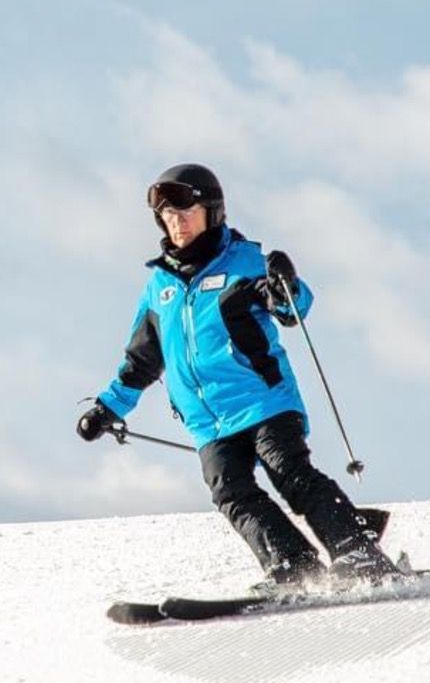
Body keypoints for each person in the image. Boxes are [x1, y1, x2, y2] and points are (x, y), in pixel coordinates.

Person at [77, 163, 398, 591]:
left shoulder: (245, 261)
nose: (177, 222)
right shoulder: (160, 288)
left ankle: (358, 553)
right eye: (168, 215)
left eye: (186, 212)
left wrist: (286, 282)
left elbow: (292, 309)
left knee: (291, 474)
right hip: (206, 420)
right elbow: (141, 360)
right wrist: (107, 408)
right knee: (231, 494)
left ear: (211, 211)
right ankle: (294, 566)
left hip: (262, 399)